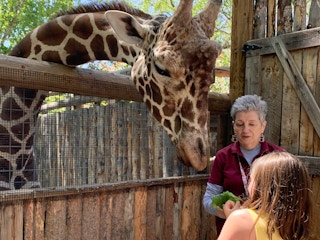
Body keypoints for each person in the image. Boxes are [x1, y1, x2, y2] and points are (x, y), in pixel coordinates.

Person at [203, 94, 285, 235]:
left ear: (263, 126)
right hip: (233, 232)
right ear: (234, 125)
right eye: (240, 124)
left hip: (269, 233)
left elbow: (289, 199)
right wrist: (224, 212)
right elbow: (208, 199)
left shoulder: (278, 156)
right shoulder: (223, 156)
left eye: (252, 124)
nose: (245, 130)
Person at [218, 151, 314, 240]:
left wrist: (233, 219)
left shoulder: (241, 219)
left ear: (262, 186)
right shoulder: (298, 230)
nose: (248, 185)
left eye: (251, 179)